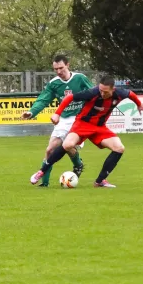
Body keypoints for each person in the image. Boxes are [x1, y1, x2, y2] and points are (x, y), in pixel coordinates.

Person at [30, 75, 143, 188]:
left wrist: (139, 104)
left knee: (119, 148)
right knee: (67, 145)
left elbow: (131, 94)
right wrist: (57, 113)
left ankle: (100, 181)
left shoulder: (120, 93)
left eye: (105, 91)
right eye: (100, 90)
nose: (102, 93)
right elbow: (69, 98)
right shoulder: (92, 92)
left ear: (113, 89)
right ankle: (42, 171)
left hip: (100, 128)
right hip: (82, 124)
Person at [21, 55, 93, 187]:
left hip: (79, 120)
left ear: (68, 65)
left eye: (61, 68)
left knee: (68, 146)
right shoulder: (54, 83)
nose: (59, 71)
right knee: (50, 150)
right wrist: (32, 112)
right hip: (64, 120)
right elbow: (43, 99)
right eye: (56, 69)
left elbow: (94, 94)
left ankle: (78, 165)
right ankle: (45, 183)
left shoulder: (80, 78)